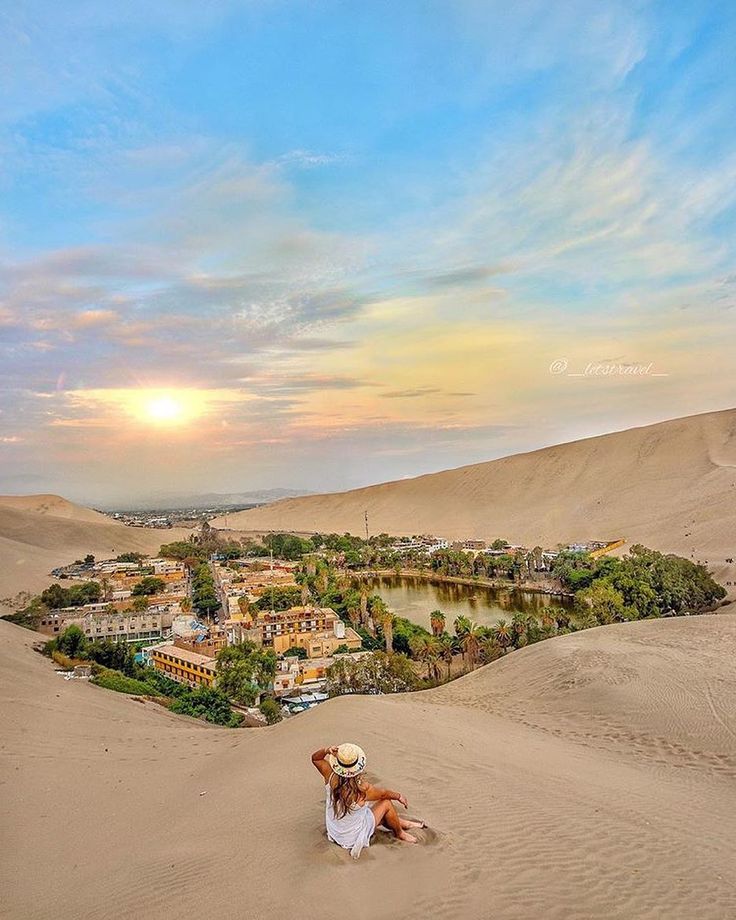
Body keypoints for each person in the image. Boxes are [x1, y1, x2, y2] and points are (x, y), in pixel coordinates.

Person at [311, 742, 424, 859]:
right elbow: (384, 794)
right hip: (353, 837)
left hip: (336, 831)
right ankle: (400, 833)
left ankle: (403, 823)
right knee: (386, 804)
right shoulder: (362, 789)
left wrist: (326, 750)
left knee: (370, 812)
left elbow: (315, 758)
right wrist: (399, 796)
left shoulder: (329, 775)